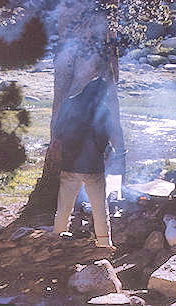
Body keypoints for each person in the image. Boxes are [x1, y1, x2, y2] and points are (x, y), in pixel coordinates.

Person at [53, 77, 114, 248]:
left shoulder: (68, 104)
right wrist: (106, 151)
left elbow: (58, 132)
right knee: (100, 210)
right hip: (93, 168)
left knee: (64, 209)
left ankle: (56, 243)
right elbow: (102, 141)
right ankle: (104, 246)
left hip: (69, 165)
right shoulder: (102, 110)